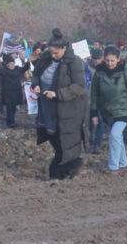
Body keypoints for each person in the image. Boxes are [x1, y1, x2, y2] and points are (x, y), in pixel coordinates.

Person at [32, 29, 88, 180]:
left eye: (56, 53)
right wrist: (36, 85)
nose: (53, 56)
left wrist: (58, 94)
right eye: (51, 52)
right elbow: (36, 74)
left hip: (67, 109)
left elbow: (79, 86)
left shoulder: (74, 62)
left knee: (65, 141)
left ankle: (60, 172)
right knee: (54, 139)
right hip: (47, 108)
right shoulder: (45, 58)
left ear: (64, 48)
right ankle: (71, 165)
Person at [91, 45, 127, 174]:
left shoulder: (126, 72)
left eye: (112, 60)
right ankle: (123, 163)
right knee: (117, 137)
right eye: (107, 61)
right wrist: (94, 113)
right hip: (107, 111)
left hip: (124, 110)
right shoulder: (99, 73)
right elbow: (94, 94)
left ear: (118, 59)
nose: (110, 63)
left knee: (114, 135)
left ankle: (113, 166)